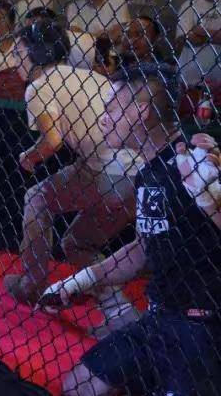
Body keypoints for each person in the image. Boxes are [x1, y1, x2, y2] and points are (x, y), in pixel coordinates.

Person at [46, 64, 221, 396]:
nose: (103, 117)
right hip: (157, 320)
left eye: (112, 108)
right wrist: (79, 281)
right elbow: (143, 248)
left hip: (202, 328)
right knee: (78, 386)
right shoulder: (149, 172)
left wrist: (212, 198)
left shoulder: (197, 161)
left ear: (140, 112)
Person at [4, 20, 142, 336]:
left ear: (36, 53)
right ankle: (121, 315)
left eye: (19, 52)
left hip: (105, 169)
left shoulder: (39, 86)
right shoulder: (89, 76)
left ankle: (32, 285)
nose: (15, 60)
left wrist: (29, 157)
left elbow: (52, 140)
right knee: (78, 243)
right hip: (139, 172)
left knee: (35, 198)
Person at [176, 0, 221, 88]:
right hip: (189, 80)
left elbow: (193, 34)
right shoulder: (189, 5)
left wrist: (200, 30)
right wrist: (214, 35)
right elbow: (184, 38)